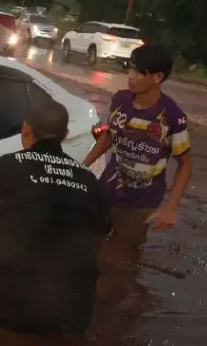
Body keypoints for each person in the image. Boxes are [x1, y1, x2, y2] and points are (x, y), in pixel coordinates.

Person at [0, 92, 108, 336]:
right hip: (74, 313)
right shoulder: (88, 180)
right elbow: (100, 234)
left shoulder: (4, 168)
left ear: (26, 130)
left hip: (11, 306)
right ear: (65, 135)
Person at [82, 43, 192, 251]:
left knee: (122, 260)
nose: (130, 76)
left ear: (157, 77)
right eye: (130, 69)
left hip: (140, 203)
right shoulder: (120, 100)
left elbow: (185, 164)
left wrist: (171, 207)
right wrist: (83, 165)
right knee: (89, 246)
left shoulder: (173, 117)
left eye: (138, 72)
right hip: (106, 189)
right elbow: (110, 135)